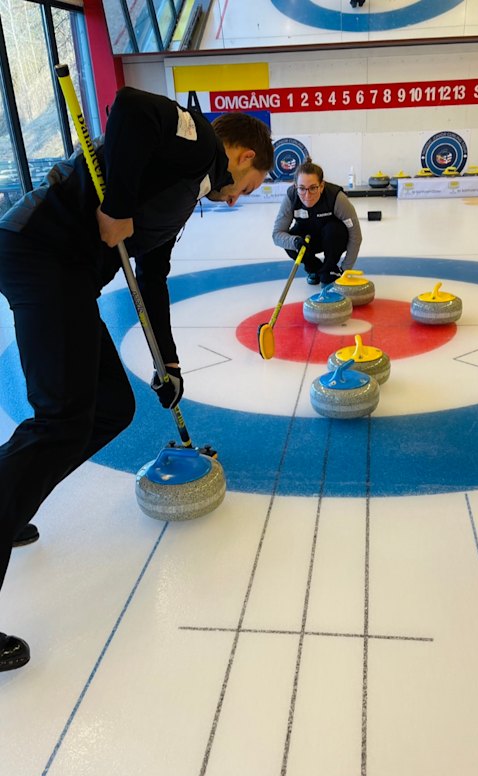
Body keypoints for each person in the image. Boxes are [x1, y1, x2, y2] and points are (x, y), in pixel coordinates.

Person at [0, 86, 274, 672]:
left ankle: (11, 499)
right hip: (41, 253)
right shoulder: (197, 141)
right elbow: (129, 107)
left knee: (110, 409)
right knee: (62, 421)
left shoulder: (186, 192)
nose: (237, 200)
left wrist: (167, 362)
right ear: (245, 156)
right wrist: (117, 205)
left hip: (66, 271)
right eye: (248, 189)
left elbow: (152, 276)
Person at [272, 159, 362, 287]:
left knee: (334, 230)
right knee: (290, 240)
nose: (307, 195)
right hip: (307, 241)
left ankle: (330, 269)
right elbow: (277, 234)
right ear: (295, 186)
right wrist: (295, 242)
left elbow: (356, 235)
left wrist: (345, 269)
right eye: (302, 188)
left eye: (313, 188)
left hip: (332, 238)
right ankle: (314, 268)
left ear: (322, 186)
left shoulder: (337, 197)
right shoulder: (291, 197)